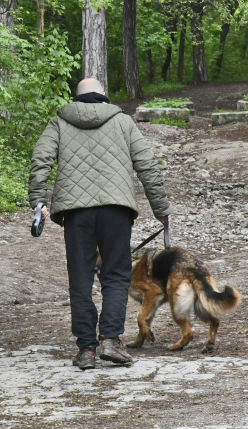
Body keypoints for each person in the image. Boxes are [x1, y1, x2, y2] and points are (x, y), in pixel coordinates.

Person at [28, 78, 172, 370]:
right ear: (104, 95)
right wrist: (161, 209)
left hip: (75, 212)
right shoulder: (122, 121)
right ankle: (110, 340)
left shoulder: (59, 122)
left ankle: (86, 350)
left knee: (80, 278)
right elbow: (147, 163)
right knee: (116, 276)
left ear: (76, 98)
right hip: (116, 209)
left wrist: (38, 202)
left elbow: (41, 160)